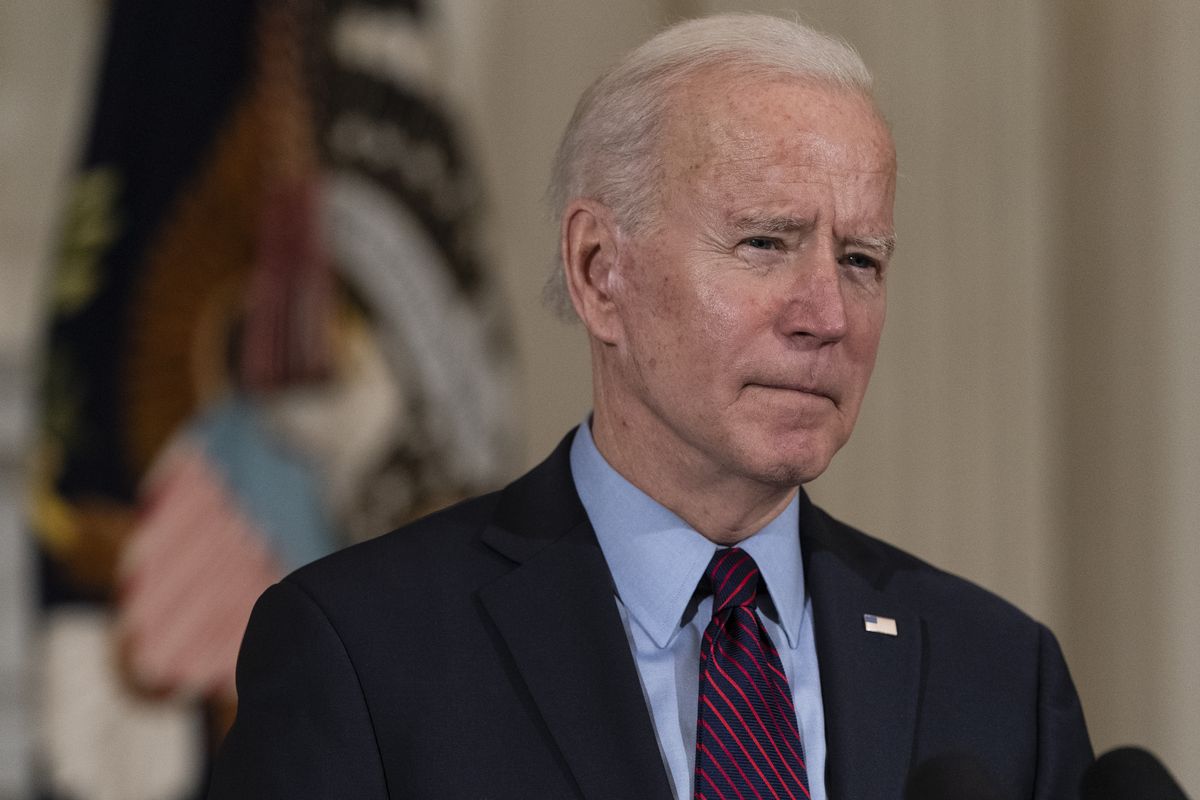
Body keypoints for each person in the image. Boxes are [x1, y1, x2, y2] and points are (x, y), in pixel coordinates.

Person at [209, 13, 1092, 800]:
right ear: (600, 270)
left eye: (860, 259)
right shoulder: (363, 651)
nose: (827, 316)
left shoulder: (998, 676)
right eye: (764, 242)